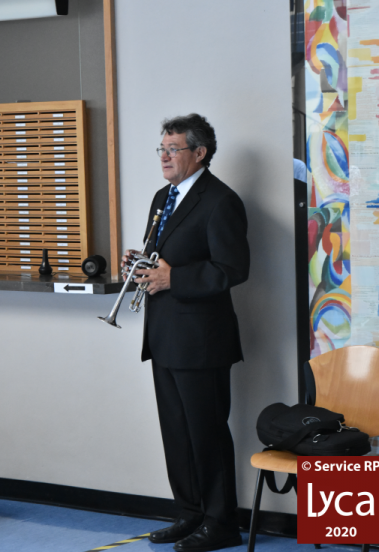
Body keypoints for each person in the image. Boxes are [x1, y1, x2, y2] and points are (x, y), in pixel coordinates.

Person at [122, 114, 250, 552]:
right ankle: (191, 513)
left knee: (206, 434)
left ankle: (222, 523)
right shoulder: (164, 197)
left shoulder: (221, 200)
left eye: (173, 149)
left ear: (200, 153)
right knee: (177, 434)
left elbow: (232, 269)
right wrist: (140, 263)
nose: (164, 156)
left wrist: (174, 278)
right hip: (164, 335)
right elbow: (163, 258)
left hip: (201, 341)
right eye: (161, 149)